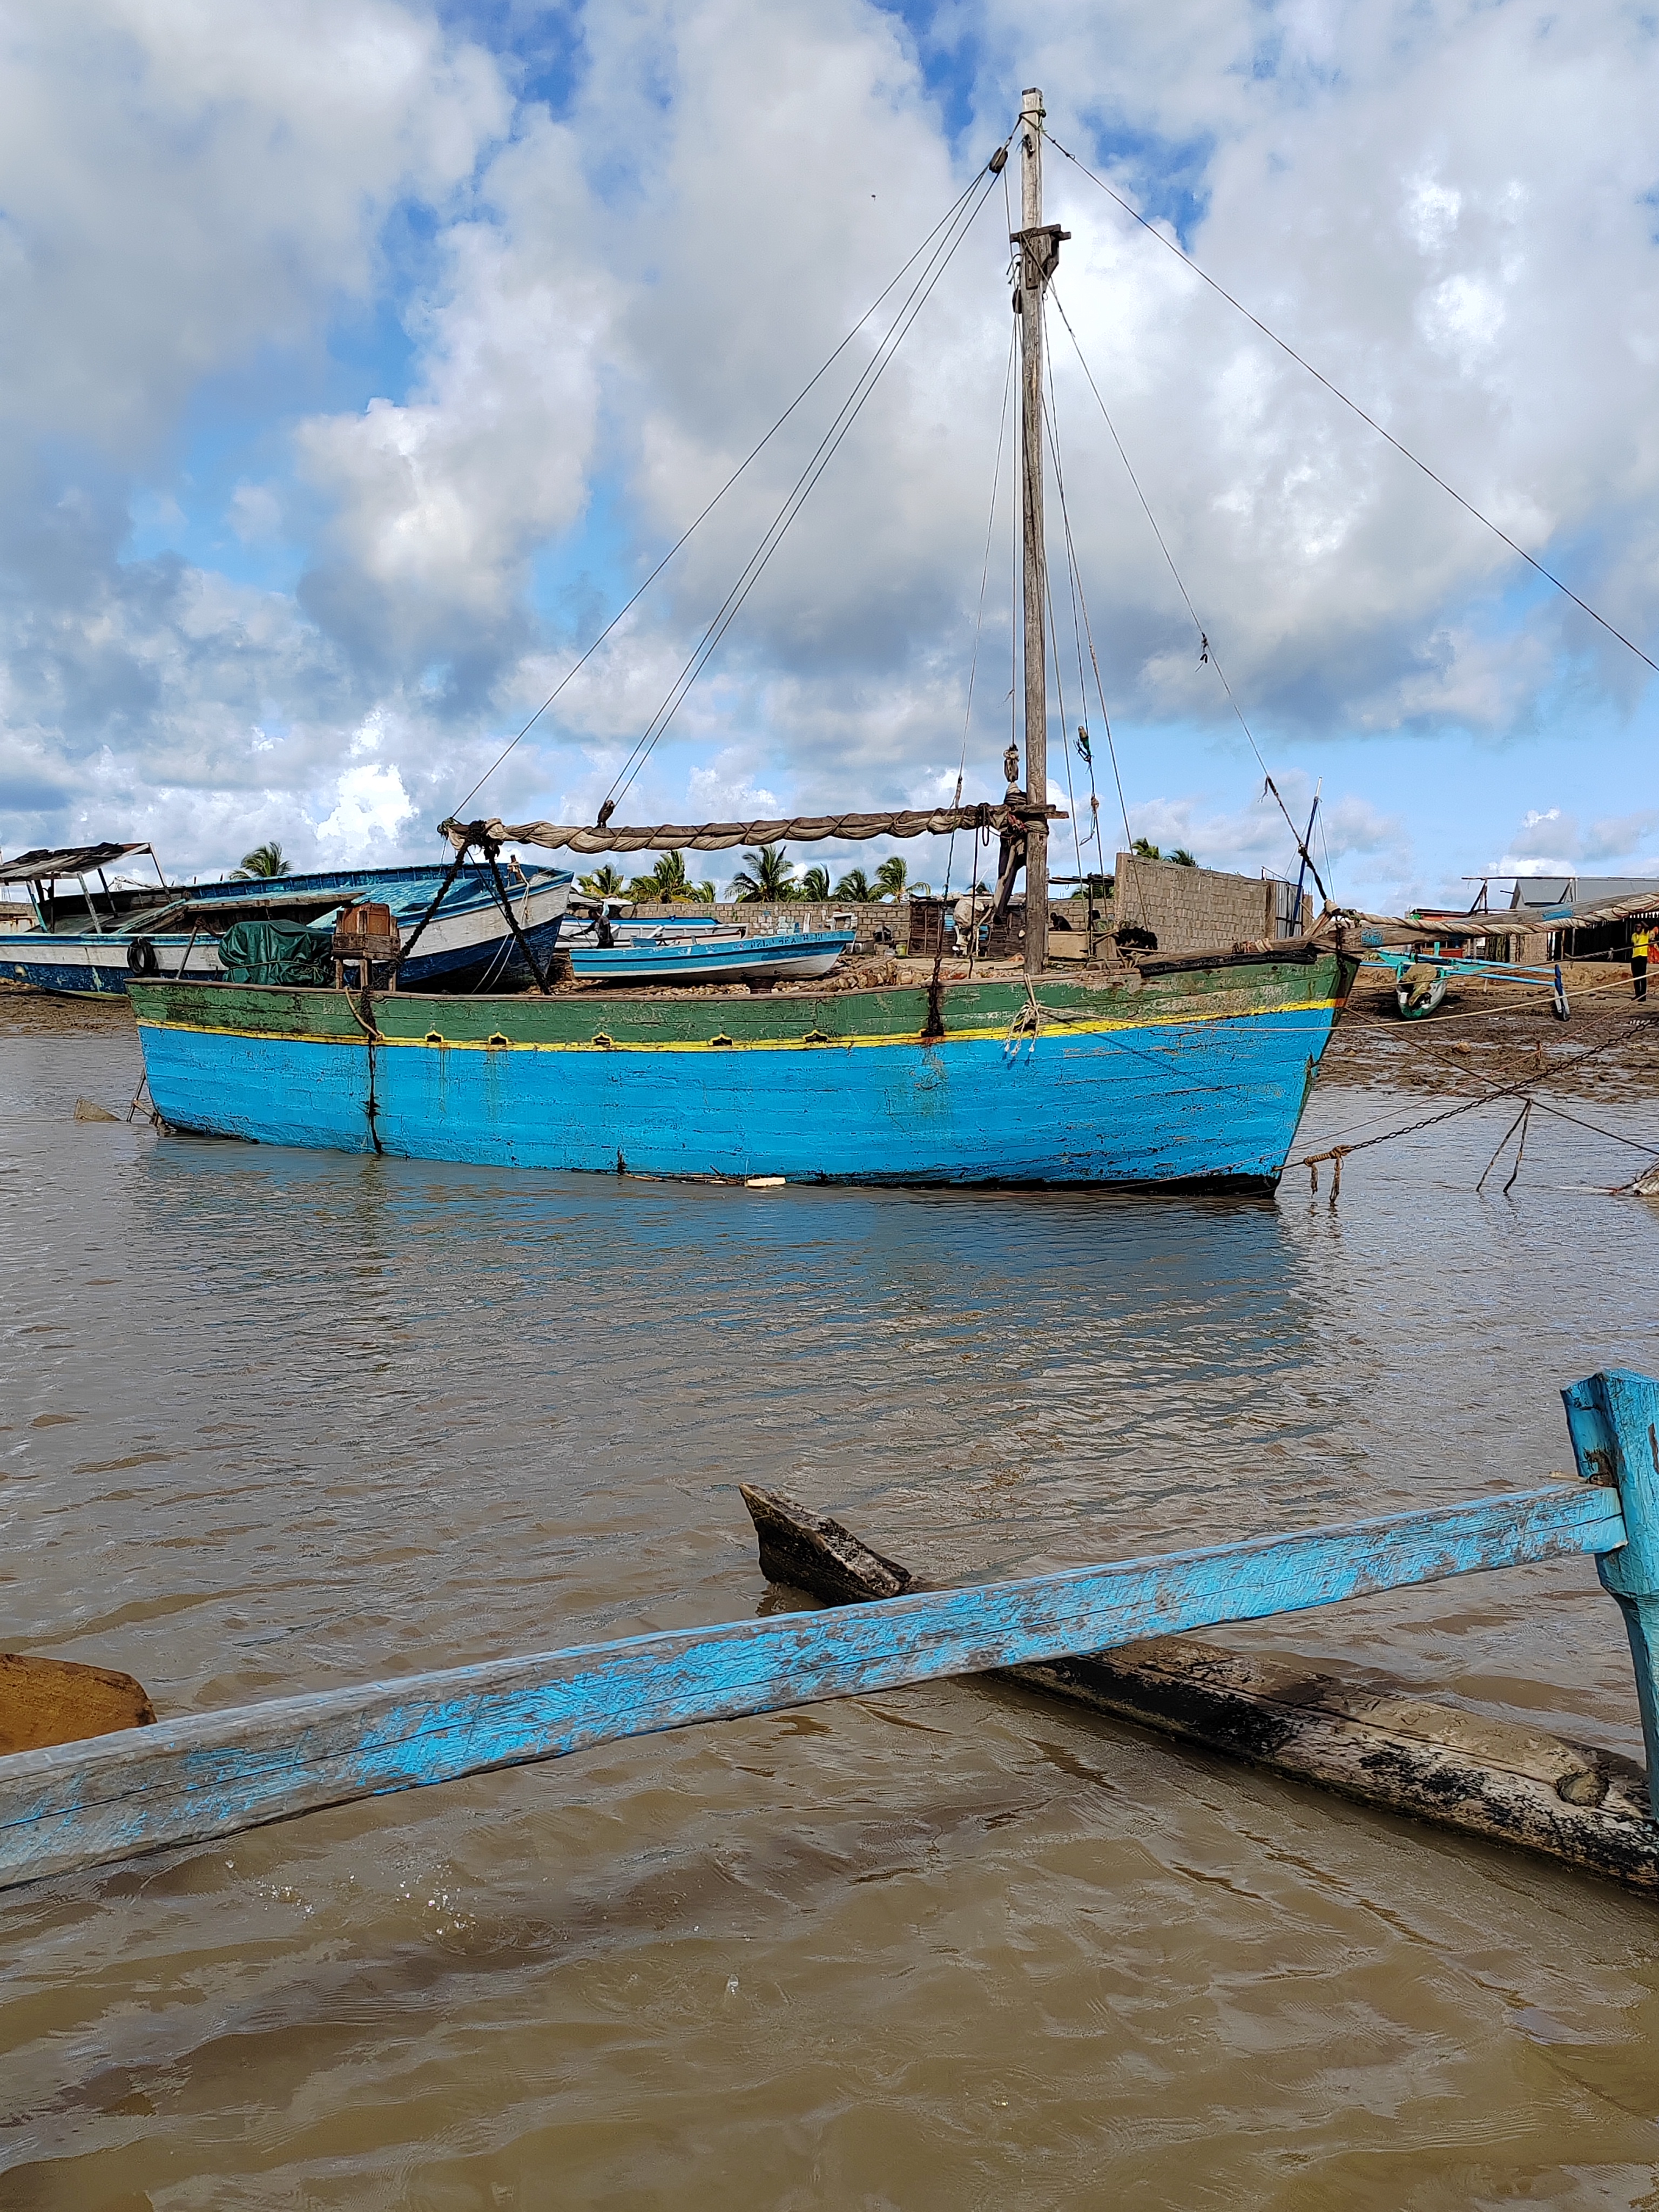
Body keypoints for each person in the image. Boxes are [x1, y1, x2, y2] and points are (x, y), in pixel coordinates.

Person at [1633, 923, 1653, 1002]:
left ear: (1642, 928)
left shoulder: (1645, 933)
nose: (1637, 928)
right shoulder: (1634, 935)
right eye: (1636, 927)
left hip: (1642, 956)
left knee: (1642, 976)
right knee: (1636, 977)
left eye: (1639, 927)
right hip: (1635, 957)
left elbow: (1648, 926)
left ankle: (1643, 995)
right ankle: (1638, 994)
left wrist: (1642, 921)